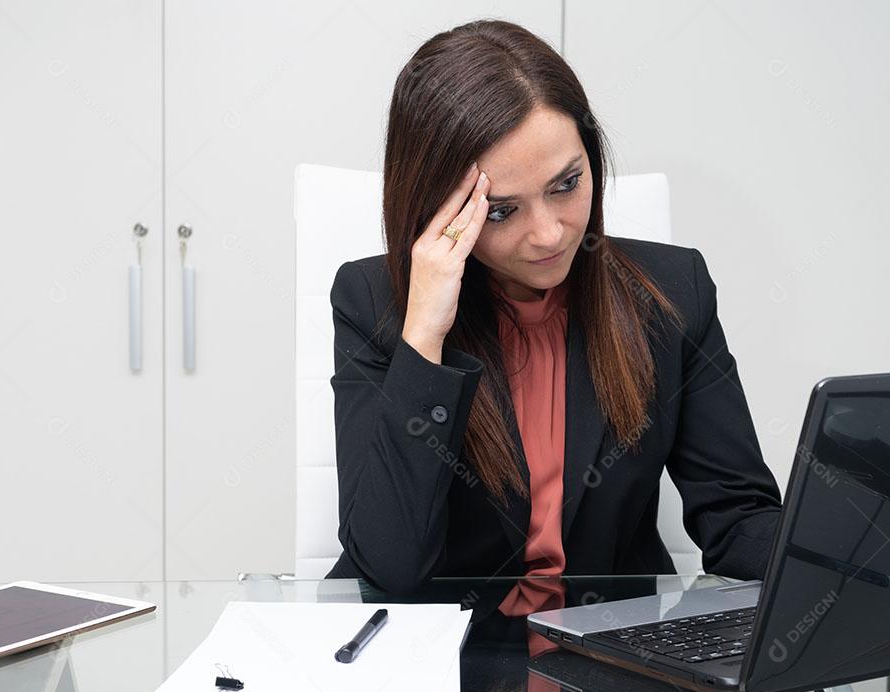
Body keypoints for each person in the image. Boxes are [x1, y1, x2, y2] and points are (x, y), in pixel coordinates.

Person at [324, 18, 782, 596]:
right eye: (500, 211)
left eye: (566, 185)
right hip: (457, 660)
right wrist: (424, 339)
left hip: (612, 652)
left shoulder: (673, 291)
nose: (548, 235)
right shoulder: (375, 305)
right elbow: (389, 565)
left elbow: (739, 519)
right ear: (434, 209)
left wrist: (848, 552)